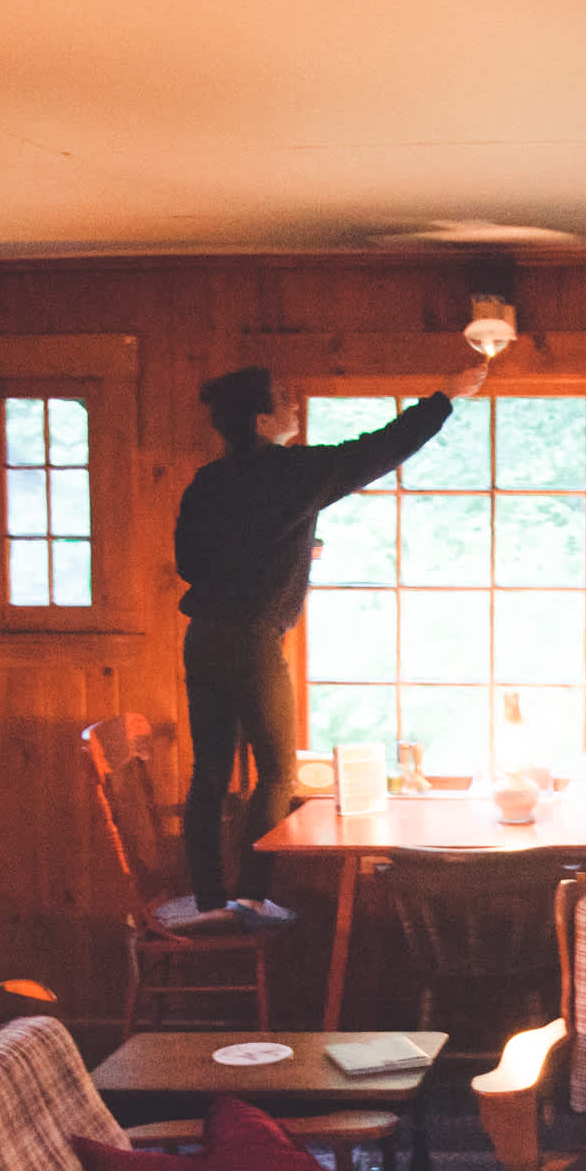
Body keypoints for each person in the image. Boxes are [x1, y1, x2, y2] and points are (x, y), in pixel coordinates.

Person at [172, 355, 489, 919]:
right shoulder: (291, 473)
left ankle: (209, 900)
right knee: (276, 772)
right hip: (252, 641)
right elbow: (377, 450)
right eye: (284, 398)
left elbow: (192, 564)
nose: (294, 403)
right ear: (263, 420)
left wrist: (281, 551)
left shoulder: (207, 482)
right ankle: (251, 897)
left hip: (203, 639)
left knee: (210, 773)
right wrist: (444, 396)